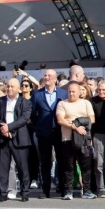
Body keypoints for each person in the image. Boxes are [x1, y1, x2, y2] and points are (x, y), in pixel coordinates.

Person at [0, 78, 32, 202]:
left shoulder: (25, 102)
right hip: (2, 138)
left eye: (12, 86)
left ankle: (24, 192)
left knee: (22, 167)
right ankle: (3, 193)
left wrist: (9, 127)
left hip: (19, 138)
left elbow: (24, 119)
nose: (9, 89)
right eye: (8, 86)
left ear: (18, 89)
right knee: (3, 167)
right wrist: (3, 127)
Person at [30, 69, 68, 199]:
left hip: (59, 131)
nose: (46, 77)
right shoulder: (37, 94)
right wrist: (39, 125)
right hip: (43, 133)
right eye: (45, 75)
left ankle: (62, 188)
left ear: (55, 79)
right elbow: (32, 113)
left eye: (49, 76)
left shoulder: (63, 93)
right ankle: (45, 189)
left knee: (61, 161)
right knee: (45, 162)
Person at [56, 82, 96, 200]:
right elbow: (60, 120)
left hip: (84, 140)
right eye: (69, 91)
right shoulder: (62, 103)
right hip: (67, 139)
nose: (71, 94)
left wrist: (79, 123)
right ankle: (68, 191)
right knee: (68, 167)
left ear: (79, 92)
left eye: (74, 91)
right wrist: (75, 127)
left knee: (86, 167)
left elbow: (92, 119)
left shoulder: (86, 103)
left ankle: (87, 191)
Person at [90, 80, 105, 198]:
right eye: (99, 90)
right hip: (98, 135)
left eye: (104, 90)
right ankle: (101, 189)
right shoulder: (92, 101)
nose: (101, 92)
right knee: (99, 163)